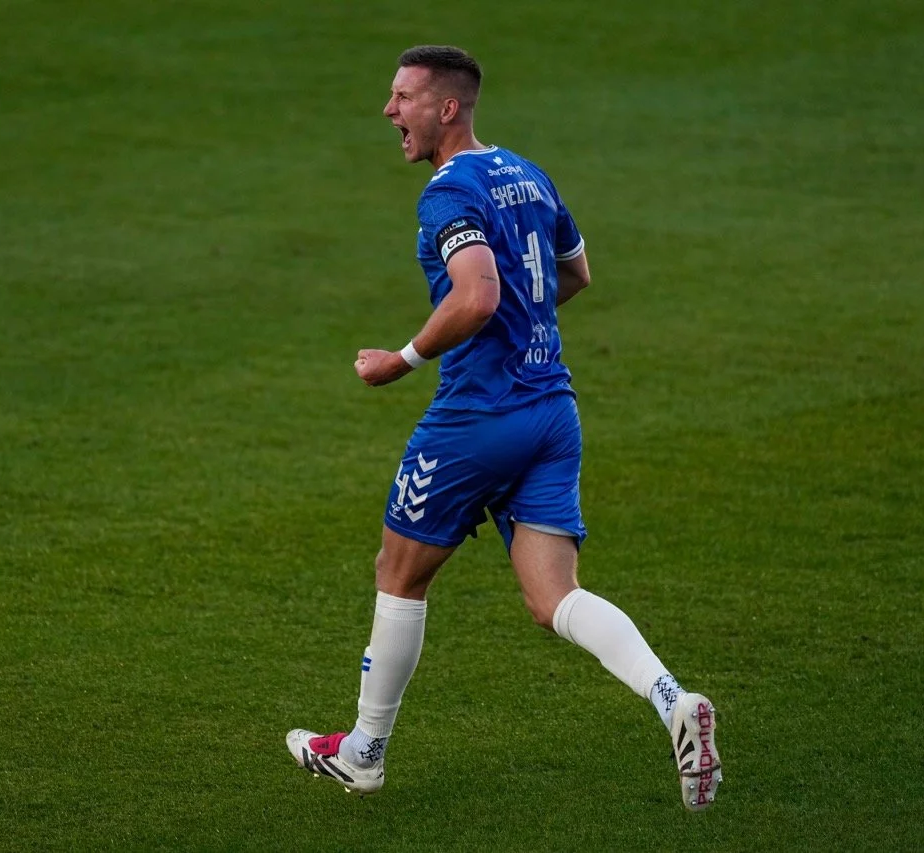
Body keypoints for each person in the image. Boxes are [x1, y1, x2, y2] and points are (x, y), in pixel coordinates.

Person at [285, 45, 722, 811]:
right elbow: (575, 273)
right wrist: (527, 330)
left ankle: (363, 752)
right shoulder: (527, 171)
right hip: (553, 410)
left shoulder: (447, 194)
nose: (390, 112)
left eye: (403, 98)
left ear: (446, 108)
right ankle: (672, 698)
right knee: (554, 598)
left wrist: (404, 358)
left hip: (477, 417)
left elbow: (480, 294)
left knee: (399, 572)